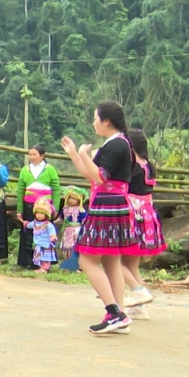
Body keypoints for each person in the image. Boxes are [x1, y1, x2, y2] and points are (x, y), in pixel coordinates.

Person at [60, 100, 138, 335]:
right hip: (112, 204)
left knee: (86, 260)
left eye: (95, 118)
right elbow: (91, 176)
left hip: (108, 206)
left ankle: (114, 312)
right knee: (111, 260)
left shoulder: (116, 145)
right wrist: (75, 155)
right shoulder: (119, 143)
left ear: (106, 121)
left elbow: (100, 177)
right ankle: (120, 315)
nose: (93, 123)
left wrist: (84, 153)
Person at [123, 128, 163, 320]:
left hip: (130, 212)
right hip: (146, 214)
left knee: (112, 260)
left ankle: (138, 291)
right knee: (131, 264)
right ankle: (139, 306)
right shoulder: (149, 165)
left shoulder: (131, 165)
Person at [17, 145, 61, 269]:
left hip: (45, 208)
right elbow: (20, 191)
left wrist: (55, 207)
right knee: (29, 232)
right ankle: (28, 261)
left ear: (42, 155)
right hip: (29, 206)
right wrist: (19, 209)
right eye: (29, 154)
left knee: (44, 233)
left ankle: (45, 262)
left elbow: (56, 189)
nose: (31, 157)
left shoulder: (50, 169)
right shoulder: (25, 170)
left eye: (34, 154)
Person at [58, 188, 86, 270]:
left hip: (76, 230)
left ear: (79, 200)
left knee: (75, 247)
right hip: (67, 231)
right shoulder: (65, 209)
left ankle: (78, 265)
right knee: (66, 247)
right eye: (69, 198)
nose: (71, 200)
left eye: (74, 198)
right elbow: (60, 219)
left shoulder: (80, 210)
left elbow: (84, 221)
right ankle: (68, 264)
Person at [28, 198, 59, 273]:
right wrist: (25, 224)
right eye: (37, 213)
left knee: (45, 257)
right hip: (38, 243)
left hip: (46, 244)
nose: (39, 215)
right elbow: (29, 225)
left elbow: (52, 231)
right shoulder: (35, 222)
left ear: (46, 215)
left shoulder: (48, 224)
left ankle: (45, 268)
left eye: (41, 213)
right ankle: (40, 267)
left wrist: (53, 236)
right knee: (39, 256)